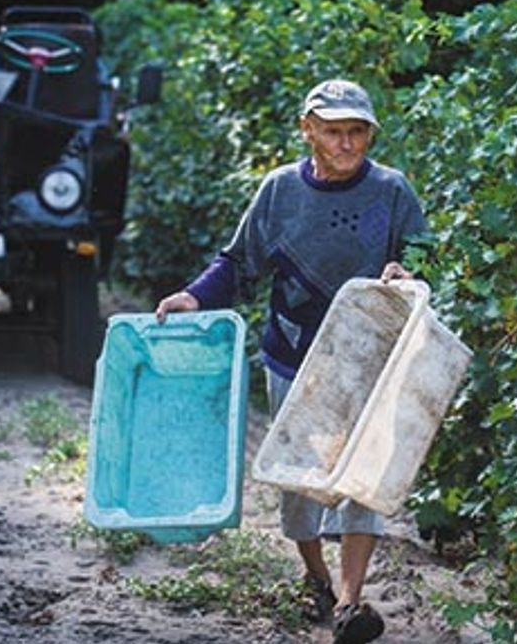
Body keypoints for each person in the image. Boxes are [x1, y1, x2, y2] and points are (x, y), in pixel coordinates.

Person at [155, 77, 427, 644]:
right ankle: (316, 577)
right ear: (308, 130)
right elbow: (239, 262)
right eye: (334, 132)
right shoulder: (280, 191)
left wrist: (406, 272)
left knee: (363, 479)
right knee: (300, 482)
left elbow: (422, 254)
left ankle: (351, 603)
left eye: (357, 132)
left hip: (368, 360)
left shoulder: (392, 191)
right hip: (292, 355)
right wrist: (194, 296)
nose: (348, 144)